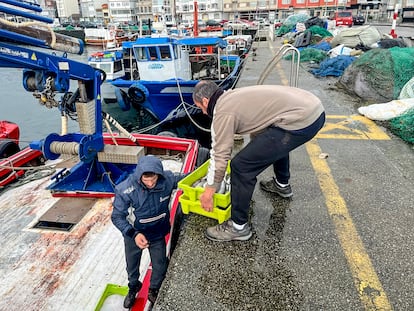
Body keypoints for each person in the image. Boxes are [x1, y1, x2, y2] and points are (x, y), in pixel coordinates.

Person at [192, 81, 325, 242]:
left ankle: (238, 227)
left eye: (200, 107)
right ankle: (282, 185)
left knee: (240, 166)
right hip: (313, 109)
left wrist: (208, 192)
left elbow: (220, 156)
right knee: (276, 142)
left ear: (205, 101)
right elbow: (261, 125)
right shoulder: (232, 96)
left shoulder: (222, 112)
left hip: (302, 120)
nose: (204, 112)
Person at [111, 155, 187, 308]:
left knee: (160, 265)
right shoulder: (125, 190)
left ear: (159, 174)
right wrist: (133, 234)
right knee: (132, 265)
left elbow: (188, 178)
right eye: (146, 180)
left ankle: (154, 289)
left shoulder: (168, 180)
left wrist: (212, 171)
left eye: (154, 179)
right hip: (135, 235)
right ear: (139, 176)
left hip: (157, 233)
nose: (151, 183)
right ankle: (133, 287)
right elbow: (117, 217)